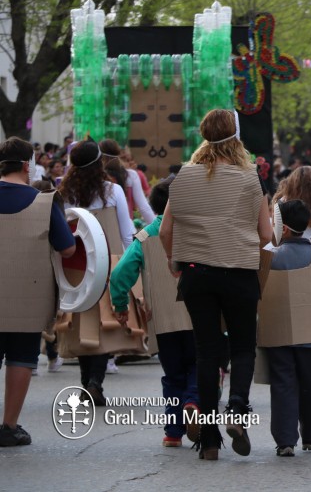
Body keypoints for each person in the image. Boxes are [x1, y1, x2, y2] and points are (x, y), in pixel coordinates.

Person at [160, 109, 273, 460]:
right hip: (239, 271)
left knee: (206, 351)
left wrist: (175, 261)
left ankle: (208, 440)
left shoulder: (184, 177)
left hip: (196, 273)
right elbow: (266, 235)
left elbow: (165, 232)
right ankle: (237, 410)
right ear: (237, 137)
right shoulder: (249, 179)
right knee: (242, 347)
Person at [109, 176, 199, 448]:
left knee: (172, 374)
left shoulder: (146, 236)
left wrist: (121, 307)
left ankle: (172, 433)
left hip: (161, 318)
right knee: (199, 365)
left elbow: (120, 275)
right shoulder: (197, 231)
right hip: (198, 315)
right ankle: (194, 401)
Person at [0, 137, 75, 446]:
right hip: (27, 296)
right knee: (21, 358)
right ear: (27, 165)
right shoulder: (44, 201)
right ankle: (9, 426)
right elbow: (68, 249)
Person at [58, 140, 135, 404]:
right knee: (104, 325)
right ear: (100, 162)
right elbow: (126, 233)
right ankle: (95, 382)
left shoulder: (64, 193)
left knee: (81, 326)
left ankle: (85, 383)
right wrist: (131, 268)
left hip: (76, 266)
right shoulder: (112, 191)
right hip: (109, 261)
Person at [264, 200, 311, 457]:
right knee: (309, 384)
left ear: (282, 228)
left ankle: (285, 440)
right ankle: (309, 434)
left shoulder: (270, 258)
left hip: (278, 333)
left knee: (283, 383)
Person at [100, 139, 155, 225]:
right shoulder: (130, 175)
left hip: (99, 231)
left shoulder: (95, 177)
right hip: (126, 230)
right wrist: (158, 229)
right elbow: (144, 208)